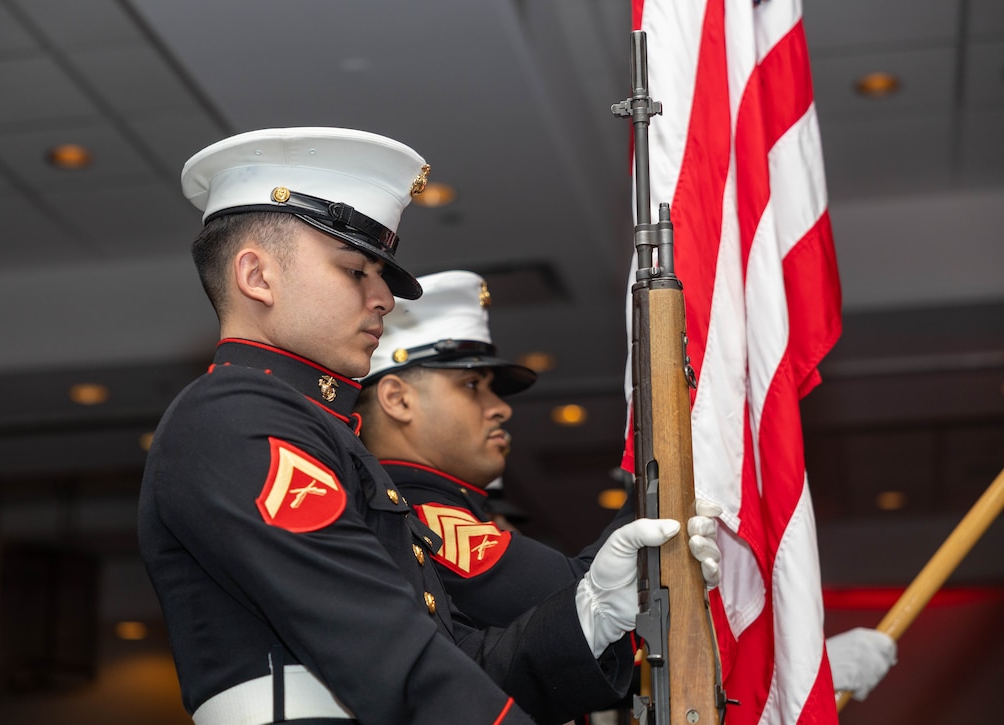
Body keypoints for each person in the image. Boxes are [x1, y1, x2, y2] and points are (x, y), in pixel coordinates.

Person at [137, 128, 721, 725]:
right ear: (257, 277)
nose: (383, 298)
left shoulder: (325, 436)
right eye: (355, 270)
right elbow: (387, 652)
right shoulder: (234, 417)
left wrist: (594, 607)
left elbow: (458, 664)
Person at [354, 269, 896, 701]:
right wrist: (670, 456)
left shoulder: (448, 508)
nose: (499, 408)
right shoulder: (418, 513)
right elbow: (573, 596)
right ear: (397, 399)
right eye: (472, 385)